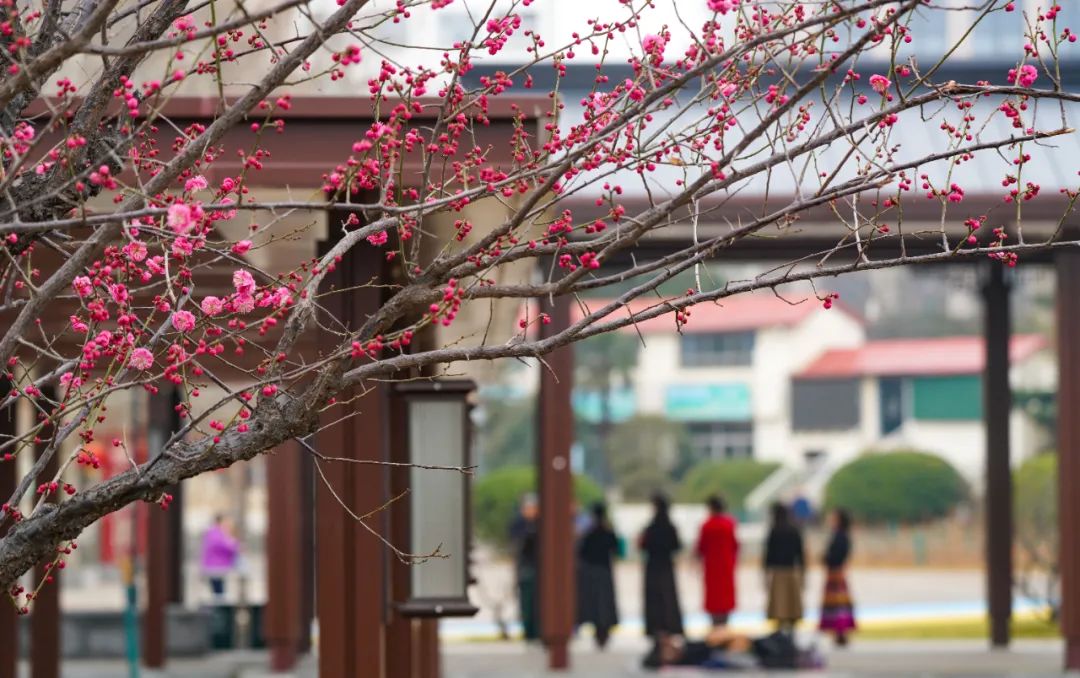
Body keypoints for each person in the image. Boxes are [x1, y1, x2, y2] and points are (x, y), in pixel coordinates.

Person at [639, 492, 684, 642]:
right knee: (667, 598)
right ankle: (669, 627)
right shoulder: (670, 527)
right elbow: (677, 546)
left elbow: (644, 545)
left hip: (653, 567)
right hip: (666, 566)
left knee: (655, 600)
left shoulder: (651, 528)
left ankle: (656, 628)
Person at [577, 502, 620, 648]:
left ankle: (600, 630)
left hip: (593, 573)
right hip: (604, 571)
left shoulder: (589, 533)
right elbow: (616, 549)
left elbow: (582, 552)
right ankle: (603, 630)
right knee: (603, 604)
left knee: (596, 604)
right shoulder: (607, 532)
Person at [696, 495, 739, 627]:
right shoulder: (730, 524)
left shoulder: (707, 525)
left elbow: (701, 547)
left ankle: (715, 624)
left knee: (714, 596)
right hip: (726, 564)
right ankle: (724, 623)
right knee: (725, 595)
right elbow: (735, 545)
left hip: (712, 566)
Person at [764, 502, 805, 634]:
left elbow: (768, 554)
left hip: (778, 571)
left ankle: (780, 633)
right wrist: (803, 572)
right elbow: (800, 553)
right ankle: (791, 632)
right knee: (791, 606)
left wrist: (765, 572)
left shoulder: (774, 530)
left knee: (779, 606)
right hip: (791, 571)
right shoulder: (794, 529)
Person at [819, 508, 856, 646]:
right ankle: (838, 632)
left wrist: (827, 559)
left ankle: (840, 632)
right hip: (835, 572)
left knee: (838, 605)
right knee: (837, 605)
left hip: (836, 572)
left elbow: (837, 555)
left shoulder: (840, 536)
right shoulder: (840, 535)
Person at [509, 493, 540, 641]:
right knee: (526, 603)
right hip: (525, 569)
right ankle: (528, 632)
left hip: (539, 570)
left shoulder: (541, 524)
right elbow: (515, 544)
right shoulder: (518, 525)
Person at [200, 515, 239, 600]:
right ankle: (219, 608)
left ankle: (219, 605)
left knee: (218, 589)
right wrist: (234, 543)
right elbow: (227, 546)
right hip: (216, 567)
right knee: (218, 591)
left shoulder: (214, 533)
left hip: (216, 566)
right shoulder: (216, 533)